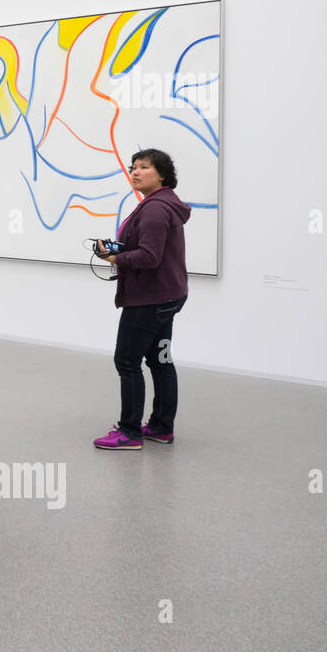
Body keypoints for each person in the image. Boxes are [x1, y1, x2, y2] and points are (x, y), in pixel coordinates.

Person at [93, 149, 190, 451]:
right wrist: (119, 252)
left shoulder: (154, 210)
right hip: (169, 295)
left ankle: (130, 432)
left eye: (144, 167)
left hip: (148, 299)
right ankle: (161, 427)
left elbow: (149, 257)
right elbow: (151, 251)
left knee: (127, 360)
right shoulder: (163, 205)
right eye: (133, 167)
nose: (135, 172)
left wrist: (116, 257)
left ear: (162, 174)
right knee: (160, 360)